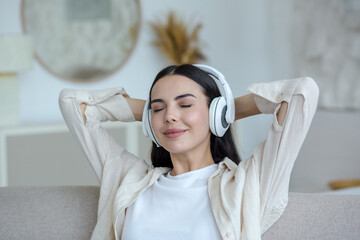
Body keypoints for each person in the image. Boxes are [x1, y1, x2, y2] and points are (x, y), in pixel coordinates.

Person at [59, 64, 319, 240]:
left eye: (185, 104)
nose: (170, 116)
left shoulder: (247, 184)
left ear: (216, 112)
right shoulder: (129, 180)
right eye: (159, 108)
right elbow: (73, 103)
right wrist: (150, 113)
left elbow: (301, 93)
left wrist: (225, 111)